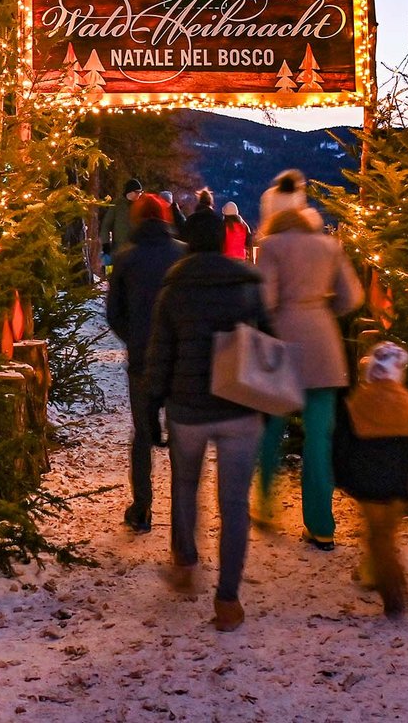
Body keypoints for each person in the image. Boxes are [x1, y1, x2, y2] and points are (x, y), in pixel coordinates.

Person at [144, 208, 269, 632]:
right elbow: (269, 345)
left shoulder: (174, 287)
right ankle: (229, 599)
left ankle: (185, 561)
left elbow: (160, 354)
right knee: (234, 503)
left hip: (188, 406)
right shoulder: (248, 284)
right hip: (239, 405)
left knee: (185, 485)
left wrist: (150, 407)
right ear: (222, 240)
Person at [254, 206, 363, 549]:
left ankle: (266, 507)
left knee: (271, 430)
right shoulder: (330, 247)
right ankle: (321, 526)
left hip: (284, 348)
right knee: (319, 441)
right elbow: (353, 297)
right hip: (324, 349)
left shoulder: (270, 247)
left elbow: (265, 299)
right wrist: (320, 310)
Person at [334, 341, 408, 618]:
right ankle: (382, 578)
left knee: (377, 537)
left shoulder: (356, 403)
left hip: (367, 483)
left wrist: (341, 476)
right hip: (398, 483)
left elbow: (341, 446)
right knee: (386, 534)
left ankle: (393, 589)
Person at [105, 193, 186, 533]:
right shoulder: (182, 254)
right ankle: (182, 513)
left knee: (141, 435)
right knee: (181, 435)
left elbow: (113, 313)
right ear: (165, 217)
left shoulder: (126, 258)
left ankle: (142, 510)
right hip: (179, 361)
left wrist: (135, 339)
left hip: (141, 360)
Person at [99, 179, 143, 275]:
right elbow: (106, 226)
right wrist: (106, 246)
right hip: (119, 251)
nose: (140, 195)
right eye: (138, 192)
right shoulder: (117, 205)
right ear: (130, 192)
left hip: (136, 252)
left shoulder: (140, 206)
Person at [256, 169, 308, 243]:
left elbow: (266, 215)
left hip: (274, 231)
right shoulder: (298, 195)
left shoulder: (269, 194)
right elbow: (301, 212)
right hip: (292, 232)